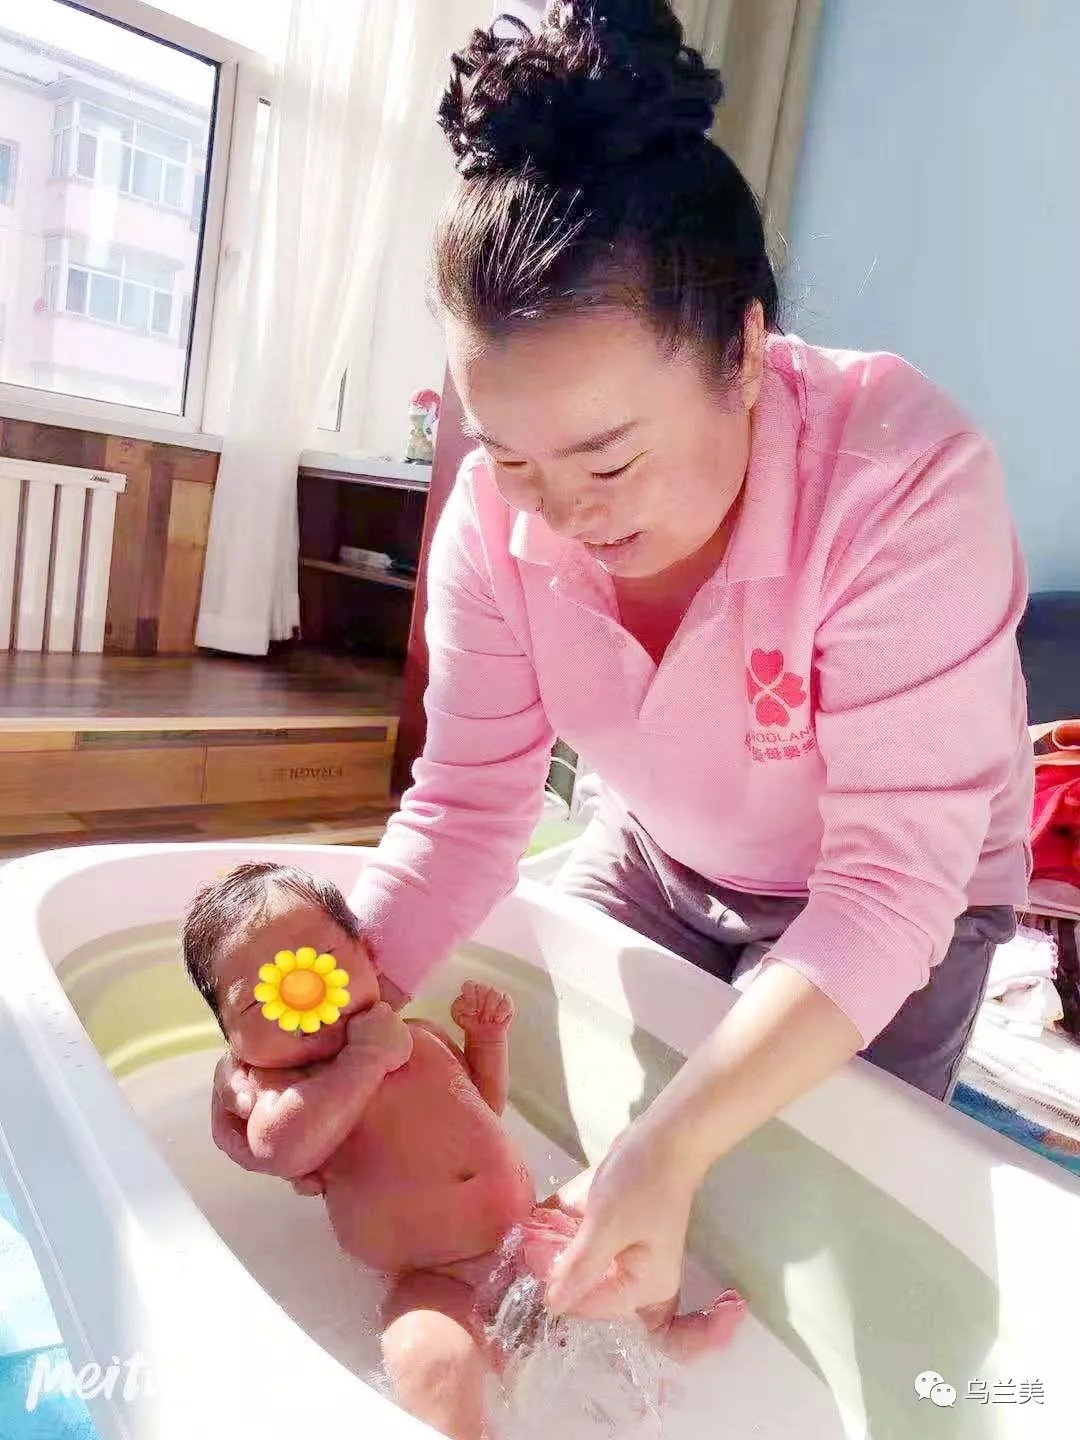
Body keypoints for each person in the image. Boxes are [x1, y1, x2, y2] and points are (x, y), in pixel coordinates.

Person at [212, 0, 1033, 1331]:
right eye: (513, 459)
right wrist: (320, 1025)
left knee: (798, 1227)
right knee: (550, 1118)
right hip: (661, 854)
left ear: (745, 356)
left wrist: (675, 1145)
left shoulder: (899, 481)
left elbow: (888, 891)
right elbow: (466, 811)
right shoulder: (495, 521)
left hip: (902, 898)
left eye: (608, 460)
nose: (562, 515)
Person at [187, 862, 745, 1440]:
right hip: (435, 1281)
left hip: (528, 1237)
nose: (303, 999)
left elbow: (482, 1106)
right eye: (260, 1002)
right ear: (232, 1041)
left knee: (627, 1198)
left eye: (318, 964)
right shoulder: (284, 1093)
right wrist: (362, 1061)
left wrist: (486, 1042)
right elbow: (281, 1151)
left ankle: (659, 1332)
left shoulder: (422, 1037)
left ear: (368, 955)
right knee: (428, 1354)